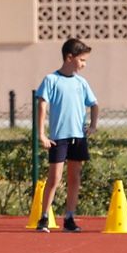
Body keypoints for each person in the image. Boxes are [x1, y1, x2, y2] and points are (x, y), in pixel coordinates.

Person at [33, 38, 99, 232]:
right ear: (69, 57)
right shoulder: (51, 80)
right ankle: (44, 216)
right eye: (82, 60)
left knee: (75, 177)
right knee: (54, 178)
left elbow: (94, 104)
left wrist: (93, 126)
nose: (84, 64)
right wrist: (42, 134)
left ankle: (69, 217)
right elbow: (42, 105)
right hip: (58, 137)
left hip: (78, 137)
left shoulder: (81, 82)